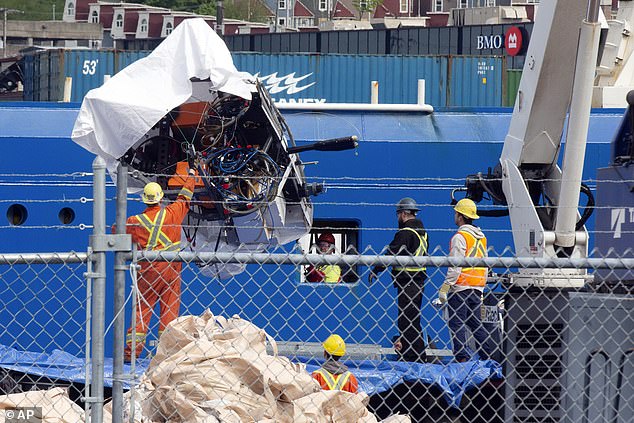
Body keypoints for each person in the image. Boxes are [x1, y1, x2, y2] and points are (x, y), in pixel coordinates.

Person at [124, 168, 196, 362]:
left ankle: (131, 354)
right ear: (161, 198)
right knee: (169, 310)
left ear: (145, 200)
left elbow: (118, 235)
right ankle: (167, 353)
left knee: (142, 309)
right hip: (171, 269)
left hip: (147, 271)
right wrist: (192, 176)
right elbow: (185, 198)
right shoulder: (172, 213)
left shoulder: (134, 221)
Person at [369, 197, 429, 363]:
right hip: (418, 281)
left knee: (406, 321)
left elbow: (391, 253)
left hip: (407, 281)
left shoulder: (405, 233)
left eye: (398, 215)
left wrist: (376, 270)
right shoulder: (422, 232)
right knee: (412, 319)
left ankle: (413, 357)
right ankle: (416, 355)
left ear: (403, 214)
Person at [436, 198, 495, 362]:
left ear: (460, 216)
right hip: (477, 288)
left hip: (461, 287)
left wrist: (446, 287)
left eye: (456, 213)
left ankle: (462, 358)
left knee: (456, 323)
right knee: (475, 324)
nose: (454, 216)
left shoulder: (460, 237)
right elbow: (485, 263)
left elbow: (455, 265)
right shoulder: (481, 237)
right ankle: (487, 357)